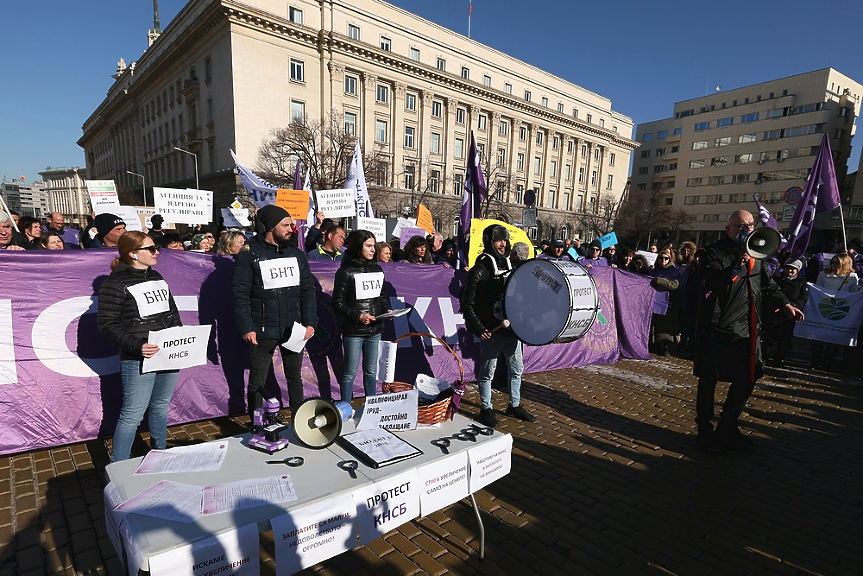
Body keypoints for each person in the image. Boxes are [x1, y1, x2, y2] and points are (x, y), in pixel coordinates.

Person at [693, 210, 804, 454]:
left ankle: (728, 426)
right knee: (710, 379)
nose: (747, 230)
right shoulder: (713, 252)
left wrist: (786, 304)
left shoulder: (757, 254)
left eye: (751, 225)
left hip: (749, 327)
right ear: (729, 230)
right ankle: (705, 430)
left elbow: (767, 283)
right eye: (742, 226)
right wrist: (737, 263)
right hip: (719, 328)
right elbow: (712, 282)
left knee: (749, 376)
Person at [97, 231, 182, 461]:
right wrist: (137, 346)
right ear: (133, 254)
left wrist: (179, 337)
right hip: (138, 358)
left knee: (160, 405)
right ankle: (118, 466)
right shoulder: (114, 283)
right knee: (132, 415)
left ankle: (160, 454)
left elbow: (172, 313)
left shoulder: (156, 276)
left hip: (167, 353)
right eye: (151, 248)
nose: (157, 252)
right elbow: (107, 325)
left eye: (156, 247)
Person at [232, 204, 317, 419]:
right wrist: (247, 327)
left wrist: (310, 322)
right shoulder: (249, 254)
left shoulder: (297, 255)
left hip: (293, 328)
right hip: (261, 330)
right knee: (257, 381)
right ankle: (258, 423)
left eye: (291, 225)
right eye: (286, 225)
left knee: (294, 378)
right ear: (271, 227)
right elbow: (240, 294)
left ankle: (299, 420)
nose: (291, 229)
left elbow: (307, 292)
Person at [461, 224, 535, 427]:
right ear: (489, 242)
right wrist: (479, 328)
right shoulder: (479, 270)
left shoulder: (512, 267)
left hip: (512, 330)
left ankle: (514, 404)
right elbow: (467, 304)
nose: (502, 244)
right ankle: (486, 408)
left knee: (516, 369)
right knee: (487, 372)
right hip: (491, 332)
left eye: (504, 240)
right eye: (497, 240)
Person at [332, 230, 391, 401]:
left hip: (375, 330)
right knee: (349, 373)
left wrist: (387, 310)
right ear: (359, 247)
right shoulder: (345, 272)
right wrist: (358, 316)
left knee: (371, 372)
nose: (373, 250)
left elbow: (382, 297)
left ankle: (371, 405)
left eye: (374, 246)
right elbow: (338, 303)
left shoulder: (378, 269)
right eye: (369, 246)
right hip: (354, 332)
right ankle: (345, 407)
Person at [811, 253, 858, 371]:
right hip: (824, 307)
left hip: (840, 309)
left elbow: (853, 295)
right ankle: (815, 362)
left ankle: (827, 363)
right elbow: (817, 289)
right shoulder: (823, 274)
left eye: (837, 263)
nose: (833, 265)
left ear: (844, 264)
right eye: (832, 262)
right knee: (818, 335)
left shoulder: (852, 277)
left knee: (833, 337)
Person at [763, 259, 808, 368]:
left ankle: (778, 360)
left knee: (785, 339)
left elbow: (803, 298)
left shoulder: (801, 283)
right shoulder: (777, 279)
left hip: (790, 315)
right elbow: (771, 293)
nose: (790, 270)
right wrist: (780, 305)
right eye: (788, 267)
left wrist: (793, 306)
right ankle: (763, 358)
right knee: (769, 337)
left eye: (793, 269)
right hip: (775, 312)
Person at [650, 248, 680, 356]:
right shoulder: (655, 270)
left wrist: (659, 280)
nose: (663, 260)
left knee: (665, 327)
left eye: (666, 258)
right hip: (654, 302)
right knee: (655, 325)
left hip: (667, 303)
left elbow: (674, 285)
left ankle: (666, 346)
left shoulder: (674, 271)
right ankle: (655, 345)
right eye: (661, 258)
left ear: (669, 259)